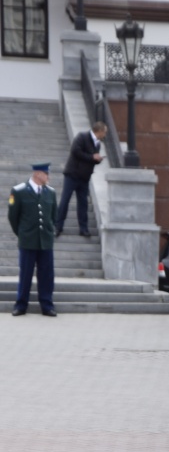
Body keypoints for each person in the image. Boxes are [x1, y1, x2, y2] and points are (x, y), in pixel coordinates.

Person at [8, 161, 58, 317]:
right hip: (28, 240)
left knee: (47, 274)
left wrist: (49, 231)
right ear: (37, 174)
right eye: (46, 174)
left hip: (45, 241)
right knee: (26, 274)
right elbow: (13, 217)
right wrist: (22, 233)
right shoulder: (19, 191)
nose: (48, 177)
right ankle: (21, 305)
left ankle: (47, 305)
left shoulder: (50, 192)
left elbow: (53, 216)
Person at [55, 121, 107, 238]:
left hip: (84, 178)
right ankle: (58, 226)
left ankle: (83, 228)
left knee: (83, 203)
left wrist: (97, 160)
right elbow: (75, 151)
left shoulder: (97, 144)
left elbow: (90, 160)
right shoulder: (82, 137)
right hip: (72, 175)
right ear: (99, 131)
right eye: (105, 132)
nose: (105, 135)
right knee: (65, 200)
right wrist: (92, 156)